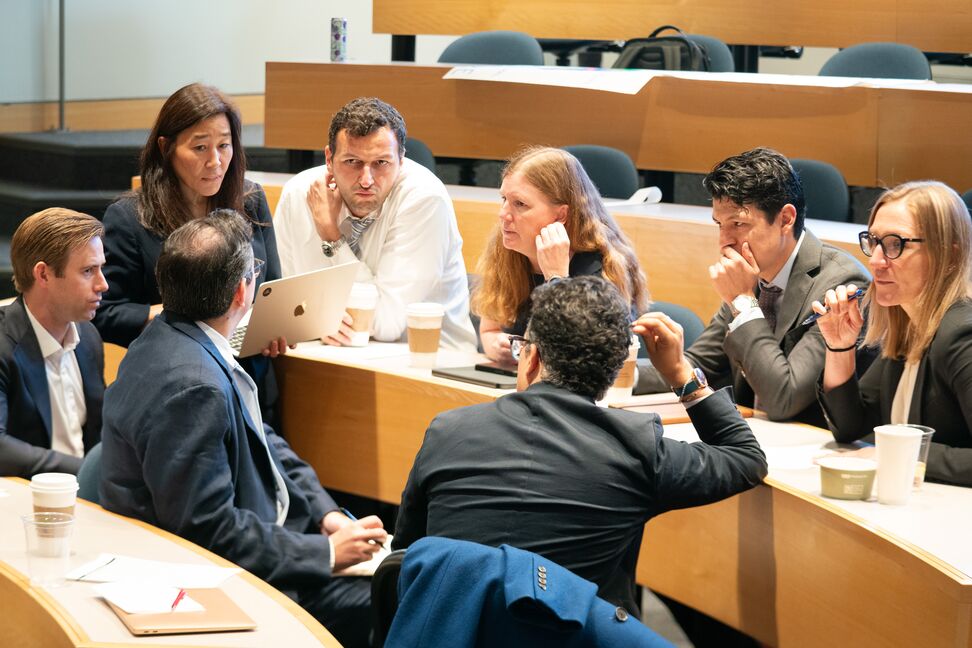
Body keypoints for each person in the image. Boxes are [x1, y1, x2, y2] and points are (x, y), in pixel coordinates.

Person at [393, 275, 767, 616]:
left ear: (532, 358)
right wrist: (681, 373)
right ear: (609, 375)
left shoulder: (448, 430)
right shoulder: (636, 448)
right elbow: (745, 457)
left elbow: (406, 553)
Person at [99, 210, 387, 648]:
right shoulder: (193, 386)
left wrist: (324, 513)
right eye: (255, 271)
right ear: (241, 292)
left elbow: (260, 438)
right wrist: (325, 554)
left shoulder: (170, 336)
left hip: (268, 534)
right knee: (398, 597)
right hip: (221, 582)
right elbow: (207, 530)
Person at [635, 147, 870, 426]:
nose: (724, 241)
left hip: (815, 448)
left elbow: (785, 398)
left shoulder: (841, 285)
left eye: (738, 223)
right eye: (719, 224)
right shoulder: (752, 273)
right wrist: (621, 374)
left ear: (785, 219)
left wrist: (744, 301)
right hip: (756, 435)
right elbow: (698, 366)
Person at [92, 83, 283, 421]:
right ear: (166, 148)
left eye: (224, 146)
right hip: (175, 383)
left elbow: (272, 289)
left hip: (250, 377)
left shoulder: (251, 200)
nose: (215, 161)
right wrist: (181, 313)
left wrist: (274, 327)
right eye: (199, 148)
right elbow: (105, 313)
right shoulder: (130, 217)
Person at [273, 97, 477, 351]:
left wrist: (332, 238)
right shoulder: (299, 194)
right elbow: (282, 303)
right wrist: (316, 320)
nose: (366, 180)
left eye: (381, 163)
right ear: (328, 158)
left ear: (401, 161)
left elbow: (385, 323)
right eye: (352, 162)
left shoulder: (424, 199)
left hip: (429, 363)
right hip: (325, 353)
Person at [815, 181, 972, 487]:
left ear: (949, 256)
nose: (875, 260)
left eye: (895, 244)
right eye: (873, 241)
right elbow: (851, 427)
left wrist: (897, 455)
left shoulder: (961, 335)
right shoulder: (910, 325)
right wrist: (840, 348)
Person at [473, 146, 648, 363]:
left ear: (561, 215)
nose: (504, 214)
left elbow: (583, 360)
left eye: (520, 204)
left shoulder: (601, 270)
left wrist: (556, 278)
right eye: (504, 199)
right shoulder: (507, 249)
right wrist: (494, 345)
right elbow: (490, 329)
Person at [0, 208, 107, 478]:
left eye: (101, 269)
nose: (102, 284)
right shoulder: (3, 346)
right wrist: (87, 473)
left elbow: (102, 430)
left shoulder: (89, 338)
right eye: (88, 271)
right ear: (43, 275)